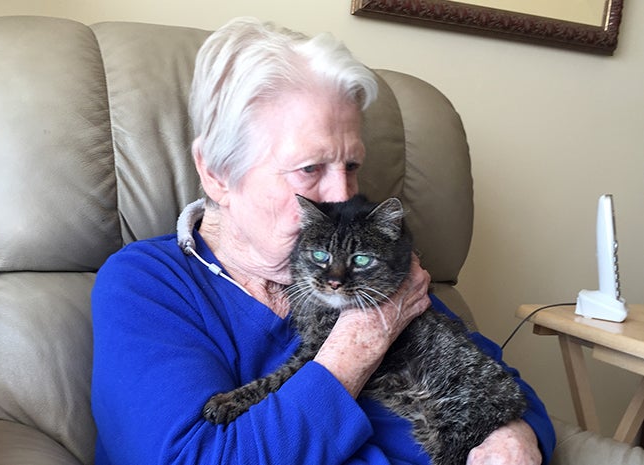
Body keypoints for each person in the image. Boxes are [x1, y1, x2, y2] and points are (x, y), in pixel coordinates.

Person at [91, 17, 555, 465]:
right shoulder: (147, 284)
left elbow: (499, 381)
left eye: (351, 166)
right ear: (216, 172)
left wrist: (511, 436)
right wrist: (362, 340)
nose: (343, 196)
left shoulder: (373, 261)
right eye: (310, 169)